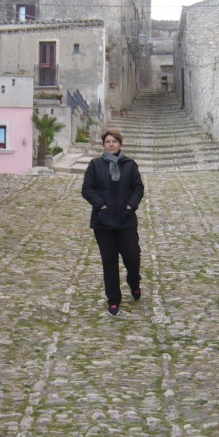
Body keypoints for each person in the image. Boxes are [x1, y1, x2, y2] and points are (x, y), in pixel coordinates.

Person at [81, 130, 145, 315]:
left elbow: (138, 188)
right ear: (103, 145)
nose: (111, 144)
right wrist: (100, 204)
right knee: (109, 263)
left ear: (120, 144)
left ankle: (134, 282)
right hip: (103, 223)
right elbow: (87, 189)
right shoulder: (95, 165)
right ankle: (114, 300)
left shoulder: (130, 165)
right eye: (108, 141)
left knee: (133, 256)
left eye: (114, 141)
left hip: (126, 221)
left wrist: (130, 205)